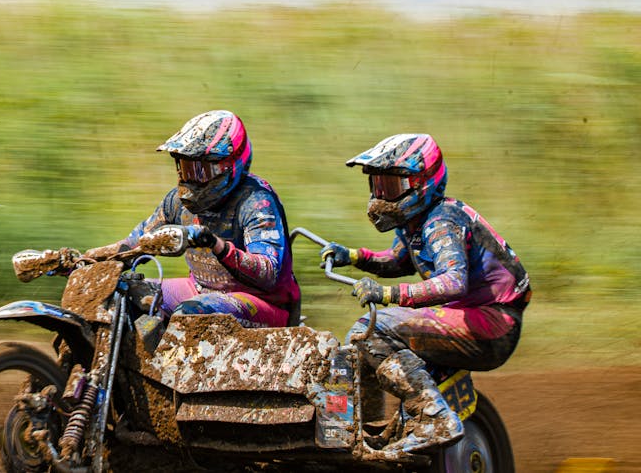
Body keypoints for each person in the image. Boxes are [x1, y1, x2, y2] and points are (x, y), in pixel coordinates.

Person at [320, 133, 531, 454]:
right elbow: (398, 260)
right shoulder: (415, 222)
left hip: (492, 322)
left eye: (392, 187)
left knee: (372, 330)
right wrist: (353, 256)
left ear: (422, 184)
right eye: (378, 186)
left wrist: (388, 294)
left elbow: (453, 282)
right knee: (363, 340)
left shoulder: (441, 222)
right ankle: (366, 429)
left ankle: (434, 418)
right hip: (473, 317)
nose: (381, 197)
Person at [98, 110, 300, 328]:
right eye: (186, 169)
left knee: (192, 313)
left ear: (230, 166)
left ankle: (169, 351)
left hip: (263, 304)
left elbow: (268, 273)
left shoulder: (256, 202)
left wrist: (216, 245)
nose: (191, 179)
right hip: (199, 290)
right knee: (119, 292)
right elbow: (136, 243)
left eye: (201, 171)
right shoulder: (176, 202)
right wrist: (87, 261)